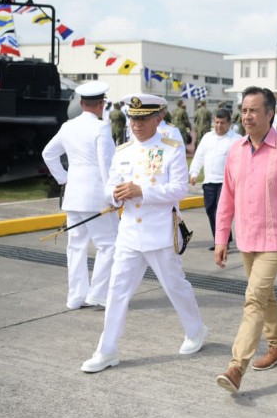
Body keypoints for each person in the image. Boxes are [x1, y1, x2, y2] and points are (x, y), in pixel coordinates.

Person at [81, 93, 208, 373]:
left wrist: (142, 191)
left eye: (143, 119)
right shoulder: (123, 151)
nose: (137, 125)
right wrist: (114, 196)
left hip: (160, 233)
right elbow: (109, 188)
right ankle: (107, 350)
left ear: (158, 118)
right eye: (133, 119)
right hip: (129, 235)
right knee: (116, 292)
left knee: (175, 286)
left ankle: (196, 330)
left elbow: (179, 189)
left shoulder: (170, 148)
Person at [213, 86, 277, 394]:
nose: (247, 116)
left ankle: (236, 367)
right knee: (265, 296)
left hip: (276, 238)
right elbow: (226, 198)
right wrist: (221, 238)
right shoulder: (236, 150)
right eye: (244, 110)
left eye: (254, 110)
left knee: (254, 298)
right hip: (246, 238)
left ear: (270, 114)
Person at [42, 81, 118, 310]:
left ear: (81, 103)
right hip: (96, 196)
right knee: (108, 246)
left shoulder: (67, 127)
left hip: (73, 196)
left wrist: (64, 179)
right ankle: (98, 294)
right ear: (101, 104)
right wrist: (112, 195)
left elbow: (48, 154)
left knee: (76, 246)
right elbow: (107, 165)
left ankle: (76, 297)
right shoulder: (101, 128)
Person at [189, 107, 240, 250]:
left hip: (226, 183)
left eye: (222, 123)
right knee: (211, 211)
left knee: (221, 212)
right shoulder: (207, 137)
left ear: (229, 123)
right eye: (216, 122)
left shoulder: (236, 140)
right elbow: (199, 156)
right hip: (209, 182)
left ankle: (221, 242)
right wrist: (194, 172)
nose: (219, 126)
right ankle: (221, 238)